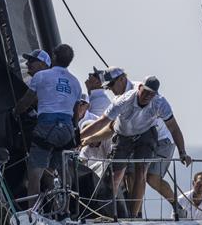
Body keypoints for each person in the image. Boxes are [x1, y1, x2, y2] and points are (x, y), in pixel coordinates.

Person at [81, 75, 191, 217]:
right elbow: (102, 122)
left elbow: (174, 128)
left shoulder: (160, 103)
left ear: (155, 95)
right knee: (116, 176)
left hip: (146, 135)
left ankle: (134, 216)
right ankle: (105, 213)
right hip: (123, 136)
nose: (147, 96)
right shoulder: (124, 100)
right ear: (139, 88)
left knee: (141, 174)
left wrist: (182, 152)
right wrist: (80, 136)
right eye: (145, 91)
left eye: (151, 94)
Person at [14, 44, 82, 204]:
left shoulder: (41, 77)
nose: (27, 64)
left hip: (46, 127)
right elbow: (75, 114)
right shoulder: (76, 83)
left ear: (53, 57)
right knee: (60, 170)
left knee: (35, 173)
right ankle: (64, 211)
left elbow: (25, 102)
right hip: (66, 130)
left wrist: (14, 112)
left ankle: (33, 212)